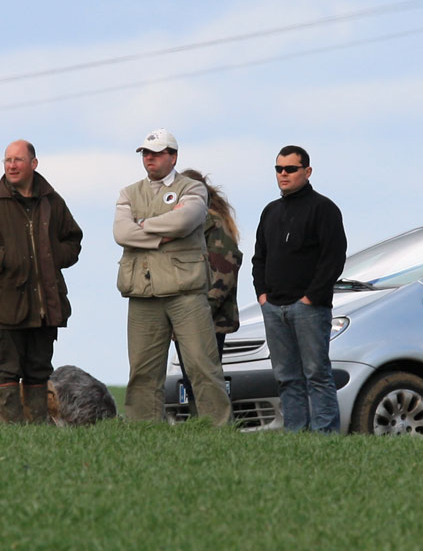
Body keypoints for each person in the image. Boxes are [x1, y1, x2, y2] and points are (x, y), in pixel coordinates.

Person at [0, 140, 82, 424]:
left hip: (44, 305)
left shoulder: (53, 201)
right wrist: (4, 258)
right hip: (4, 304)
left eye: (18, 160)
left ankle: (37, 429)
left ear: (33, 164)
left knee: (39, 369)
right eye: (7, 160)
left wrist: (50, 257)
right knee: (8, 370)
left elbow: (73, 240)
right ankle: (11, 432)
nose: (11, 165)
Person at [113, 128, 232, 426]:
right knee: (142, 371)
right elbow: (121, 232)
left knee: (203, 366)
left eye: (157, 153)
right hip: (143, 292)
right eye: (145, 154)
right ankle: (143, 431)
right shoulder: (128, 192)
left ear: (173, 156)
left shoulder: (193, 189)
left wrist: (141, 225)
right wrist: (159, 235)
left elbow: (184, 221)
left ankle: (217, 430)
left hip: (185, 293)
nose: (149, 159)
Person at [252, 145, 347, 432]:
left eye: (290, 169)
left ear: (307, 171)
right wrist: (262, 296)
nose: (283, 174)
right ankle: (295, 435)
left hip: (309, 309)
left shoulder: (324, 209)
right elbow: (259, 257)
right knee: (286, 377)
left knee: (317, 374)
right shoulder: (271, 211)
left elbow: (334, 258)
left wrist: (310, 298)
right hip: (274, 308)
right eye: (279, 169)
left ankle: (325, 437)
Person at [173, 169, 243, 409]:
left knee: (206, 380)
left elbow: (224, 277)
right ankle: (199, 428)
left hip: (208, 321)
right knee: (191, 381)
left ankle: (212, 427)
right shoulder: (183, 227)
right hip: (186, 318)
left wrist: (193, 315)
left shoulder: (215, 229)